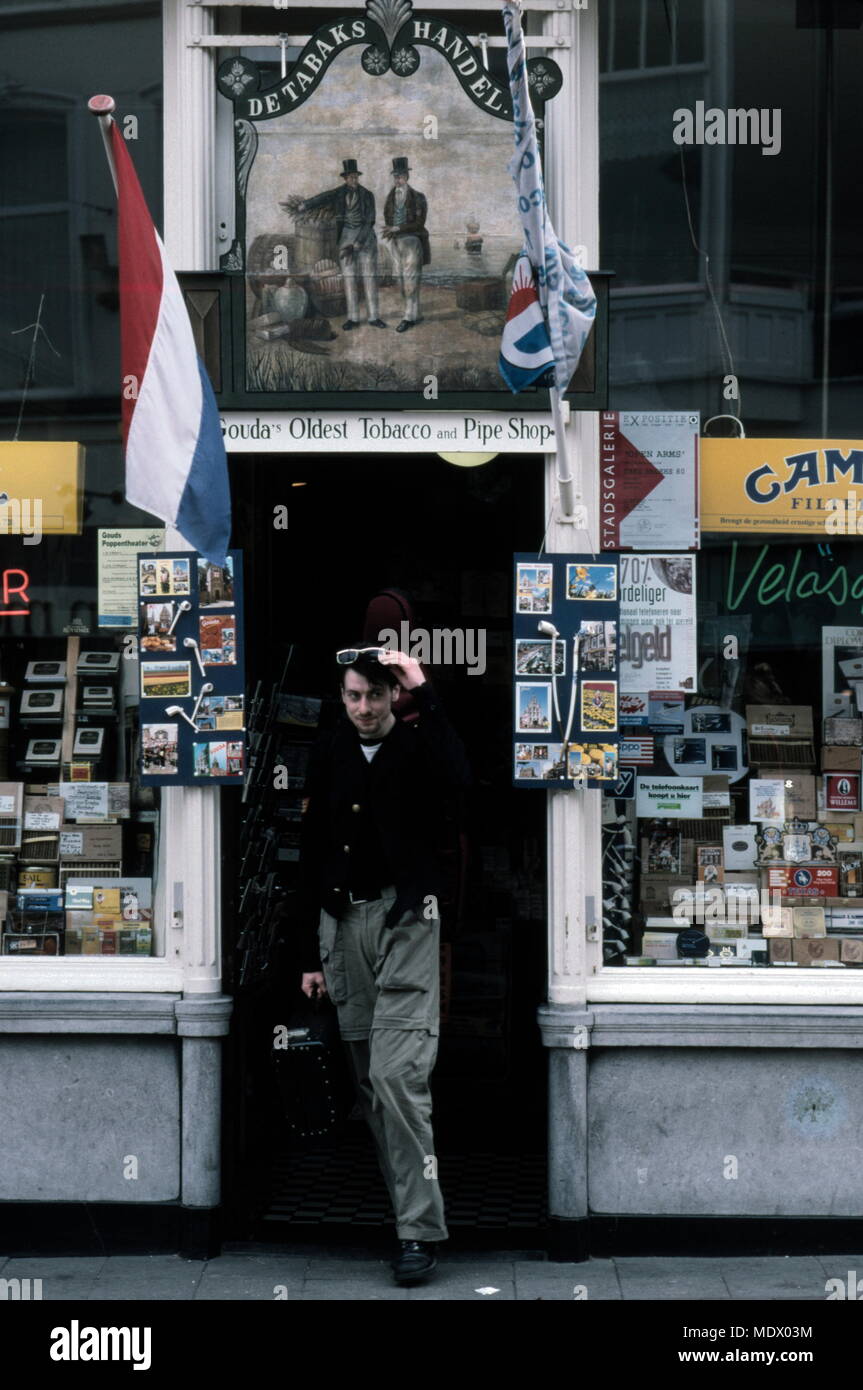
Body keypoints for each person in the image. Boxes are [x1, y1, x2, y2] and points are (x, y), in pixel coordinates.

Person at [297, 645, 471, 1285]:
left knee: (399, 1078)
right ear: (341, 697)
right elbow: (310, 853)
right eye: (353, 696)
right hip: (341, 927)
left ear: (393, 695)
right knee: (372, 1088)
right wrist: (306, 955)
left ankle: (418, 1231)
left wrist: (423, 688)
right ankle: (407, 1213)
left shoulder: (420, 743)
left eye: (375, 694)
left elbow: (459, 780)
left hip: (406, 921)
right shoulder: (331, 748)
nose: (364, 707)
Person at [296, 160, 386, 331]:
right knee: (349, 278)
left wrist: (359, 242)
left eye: (355, 177)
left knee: (370, 277)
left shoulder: (368, 195)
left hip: (366, 238)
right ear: (345, 178)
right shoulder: (338, 193)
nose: (353, 179)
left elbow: (370, 220)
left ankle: (374, 317)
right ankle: (353, 318)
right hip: (346, 237)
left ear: (358, 177)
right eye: (350, 177)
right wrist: (305, 204)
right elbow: (322, 197)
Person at [381, 157, 430, 333]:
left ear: (407, 176)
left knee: (411, 280)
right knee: (401, 280)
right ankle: (416, 314)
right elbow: (387, 215)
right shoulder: (390, 196)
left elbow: (419, 223)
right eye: (395, 176)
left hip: (412, 242)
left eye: (401, 176)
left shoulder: (418, 197)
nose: (398, 180)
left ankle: (408, 317)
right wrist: (392, 232)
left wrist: (396, 228)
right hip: (396, 243)